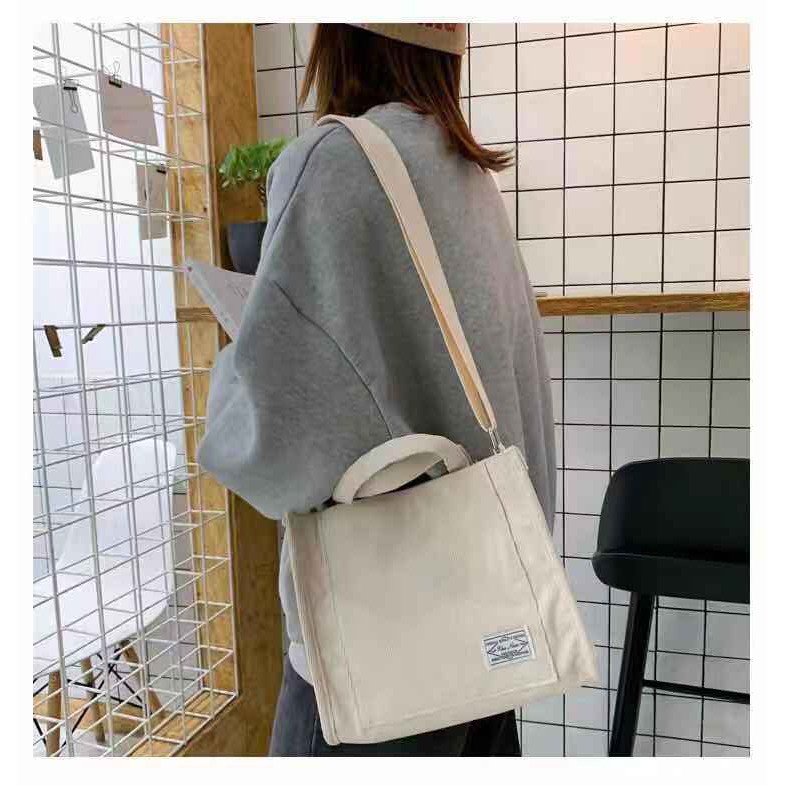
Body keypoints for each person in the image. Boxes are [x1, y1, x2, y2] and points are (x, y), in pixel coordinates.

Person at [197, 22, 556, 756]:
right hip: (487, 621)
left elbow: (272, 447)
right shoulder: (467, 172)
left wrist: (237, 364)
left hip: (382, 652)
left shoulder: (335, 163)